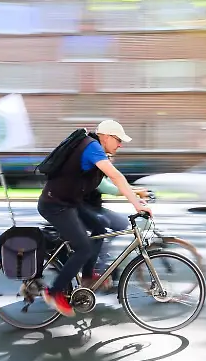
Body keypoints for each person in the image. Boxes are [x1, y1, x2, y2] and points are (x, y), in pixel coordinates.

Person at [38, 119, 151, 317]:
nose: (120, 144)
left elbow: (110, 183)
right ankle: (54, 292)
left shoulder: (93, 148)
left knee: (100, 227)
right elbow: (116, 177)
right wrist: (137, 204)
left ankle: (89, 276)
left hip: (69, 203)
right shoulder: (92, 148)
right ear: (106, 137)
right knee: (83, 248)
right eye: (118, 140)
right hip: (55, 205)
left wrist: (135, 195)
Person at [83, 161, 152, 292]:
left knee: (122, 224)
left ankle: (105, 255)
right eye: (107, 156)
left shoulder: (101, 169)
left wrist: (137, 192)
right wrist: (137, 193)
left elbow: (116, 183)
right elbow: (109, 189)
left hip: (96, 208)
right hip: (86, 210)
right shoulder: (93, 166)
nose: (110, 159)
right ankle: (101, 270)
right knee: (104, 230)